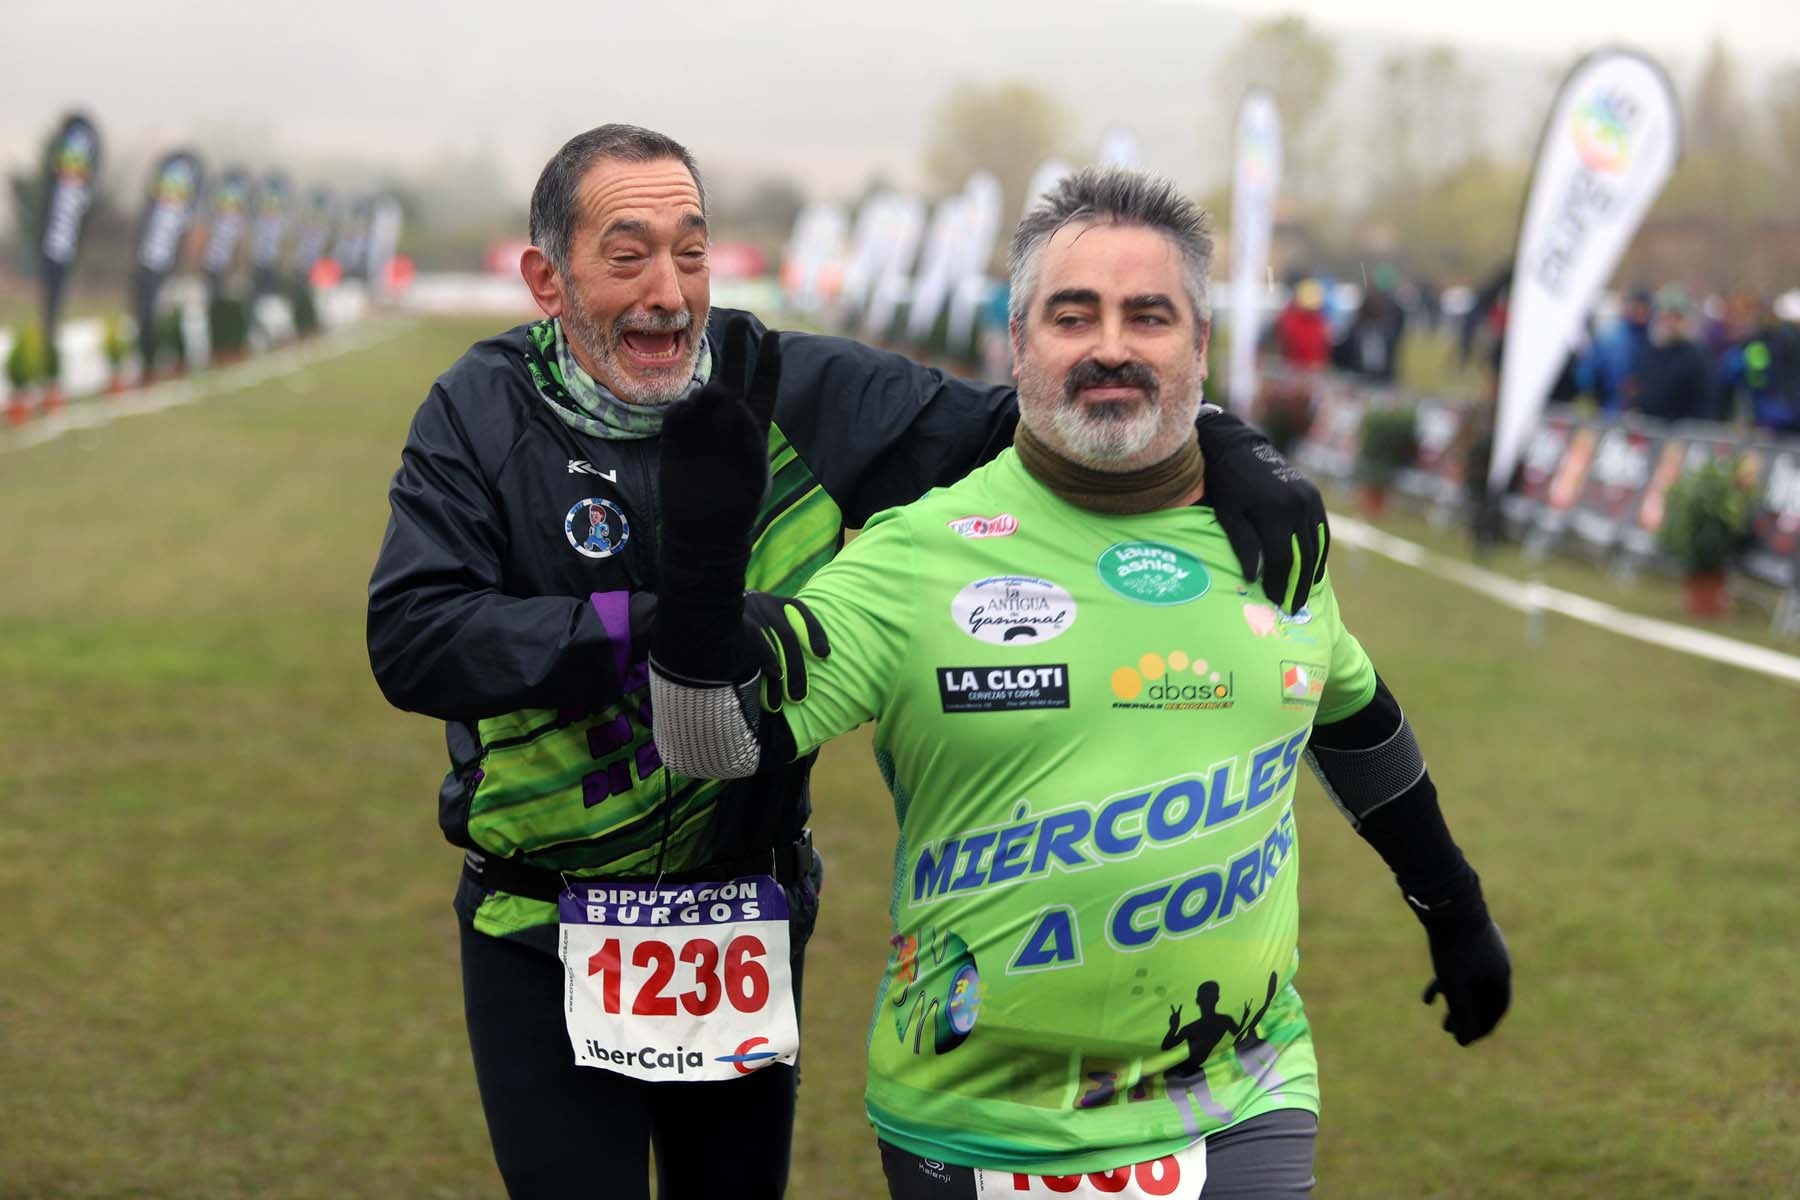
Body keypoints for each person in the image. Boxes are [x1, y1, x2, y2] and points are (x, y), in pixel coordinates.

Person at [366, 127, 1333, 1200]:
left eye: (690, 251)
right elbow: (413, 635)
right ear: (547, 278)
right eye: (626, 254)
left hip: (739, 915)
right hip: (542, 918)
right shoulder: (480, 409)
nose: (668, 292)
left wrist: (1233, 443)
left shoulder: (792, 388)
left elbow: (1042, 412)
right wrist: (659, 625)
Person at [648, 167, 1511, 1196]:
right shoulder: (916, 553)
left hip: (1242, 1091)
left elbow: (1357, 718)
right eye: (1074, 314)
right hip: (974, 1123)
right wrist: (700, 566)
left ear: (1200, 347)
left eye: (1149, 315)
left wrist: (1452, 904)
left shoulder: (1271, 541)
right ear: (1018, 344)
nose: (1111, 344)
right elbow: (709, 744)